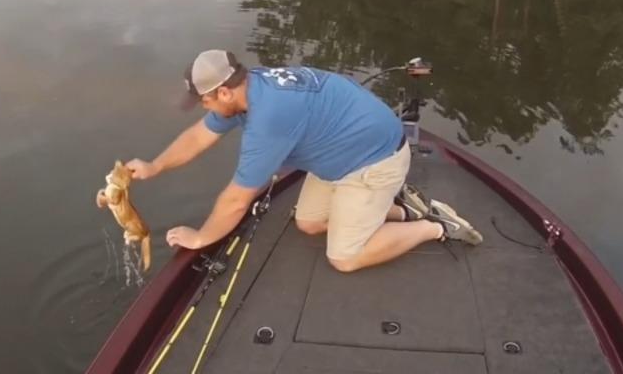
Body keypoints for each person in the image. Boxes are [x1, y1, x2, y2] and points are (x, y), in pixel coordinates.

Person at [126, 49, 481, 273]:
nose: (204, 108)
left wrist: (202, 237)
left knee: (344, 258)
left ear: (223, 91)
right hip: (338, 155)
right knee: (309, 223)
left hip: (374, 160)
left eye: (204, 100)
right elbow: (199, 136)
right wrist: (155, 166)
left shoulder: (269, 117)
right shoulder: (248, 88)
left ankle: (435, 226)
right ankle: (402, 208)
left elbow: (237, 199)